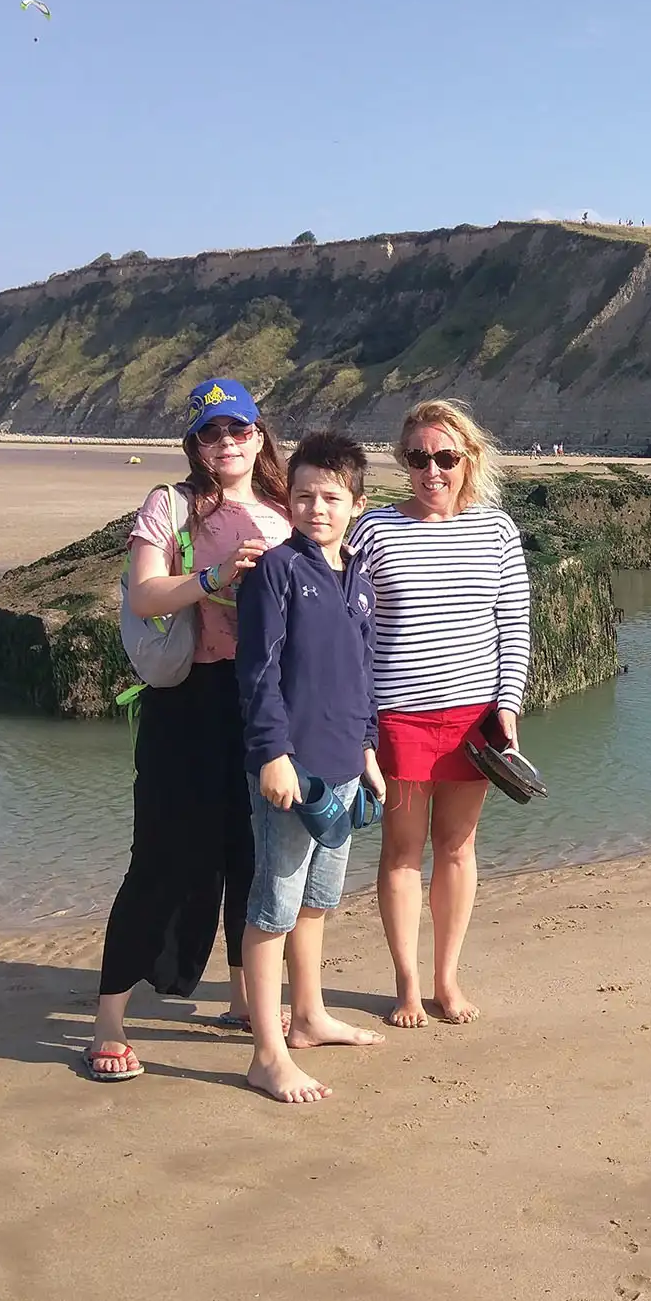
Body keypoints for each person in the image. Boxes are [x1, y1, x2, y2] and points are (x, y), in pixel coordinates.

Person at [85, 378, 290, 1083]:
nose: (226, 443)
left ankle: (240, 998)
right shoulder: (168, 505)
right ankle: (108, 1019)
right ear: (194, 445)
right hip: (185, 700)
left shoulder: (288, 505)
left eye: (238, 430)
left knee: (250, 853)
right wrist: (210, 578)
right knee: (163, 857)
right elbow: (145, 593)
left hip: (264, 699)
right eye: (211, 433)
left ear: (260, 435)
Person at [346, 399, 530, 1028]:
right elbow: (352, 630)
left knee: (456, 848)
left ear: (467, 460)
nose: (433, 471)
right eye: (419, 458)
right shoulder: (372, 532)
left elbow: (514, 627)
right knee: (401, 852)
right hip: (396, 715)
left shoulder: (498, 532)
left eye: (446, 458)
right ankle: (405, 984)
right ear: (404, 462)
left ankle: (447, 979)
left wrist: (508, 708)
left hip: (473, 720)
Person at [234, 431, 389, 1103]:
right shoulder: (276, 571)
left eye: (331, 497)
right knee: (274, 903)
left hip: (344, 766)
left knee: (318, 902)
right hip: (290, 770)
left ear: (357, 502)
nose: (316, 508)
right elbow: (258, 674)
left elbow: (362, 672)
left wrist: (369, 749)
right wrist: (272, 754)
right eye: (303, 496)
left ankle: (308, 1016)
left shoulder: (357, 575)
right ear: (288, 500)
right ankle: (267, 1053)